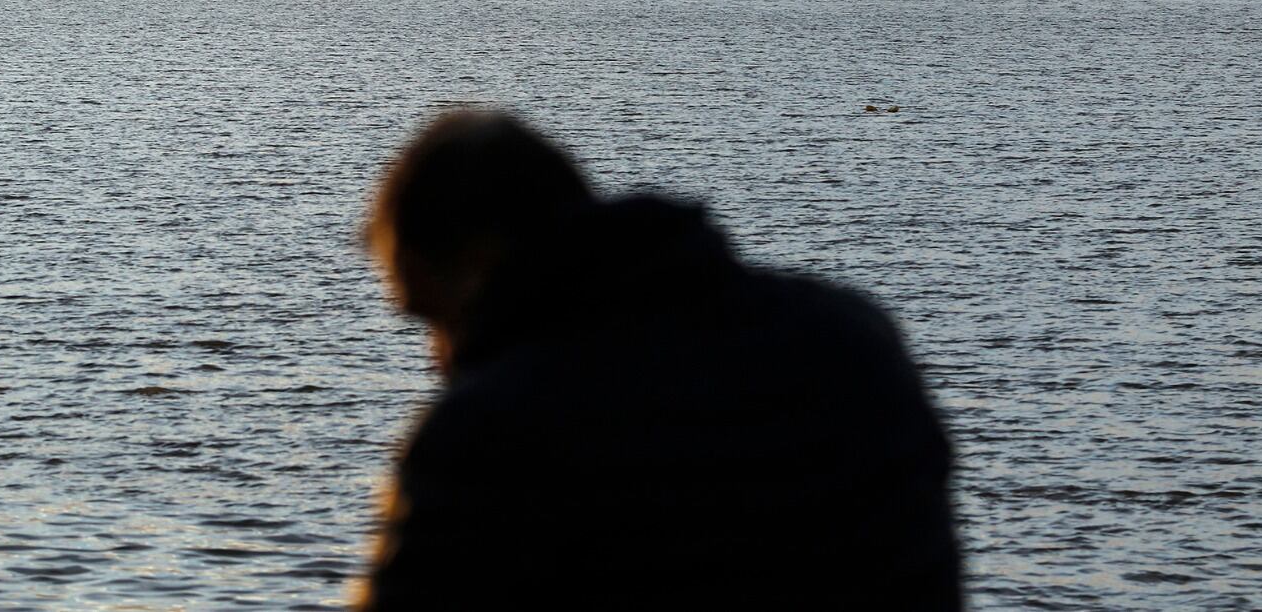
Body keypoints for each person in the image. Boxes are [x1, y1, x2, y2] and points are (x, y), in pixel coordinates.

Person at [357, 111, 959, 610]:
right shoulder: (854, 340)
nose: (437, 360)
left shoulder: (486, 434)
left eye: (429, 318)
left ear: (475, 265)